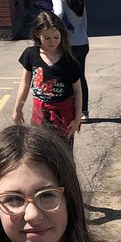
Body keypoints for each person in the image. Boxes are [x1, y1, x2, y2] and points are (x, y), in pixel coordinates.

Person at [13, 12, 82, 145]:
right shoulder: (30, 54)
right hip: (39, 114)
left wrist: (77, 118)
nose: (52, 41)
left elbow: (78, 91)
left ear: (62, 35)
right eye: (47, 37)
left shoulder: (69, 61)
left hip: (63, 116)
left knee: (63, 156)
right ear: (38, 35)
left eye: (56, 37)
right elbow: (25, 83)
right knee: (39, 153)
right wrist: (17, 109)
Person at [51, 0, 90, 119]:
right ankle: (84, 111)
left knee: (64, 77)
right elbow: (85, 20)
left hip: (68, 44)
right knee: (80, 76)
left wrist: (53, 22)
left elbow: (58, 13)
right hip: (82, 42)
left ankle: (67, 109)